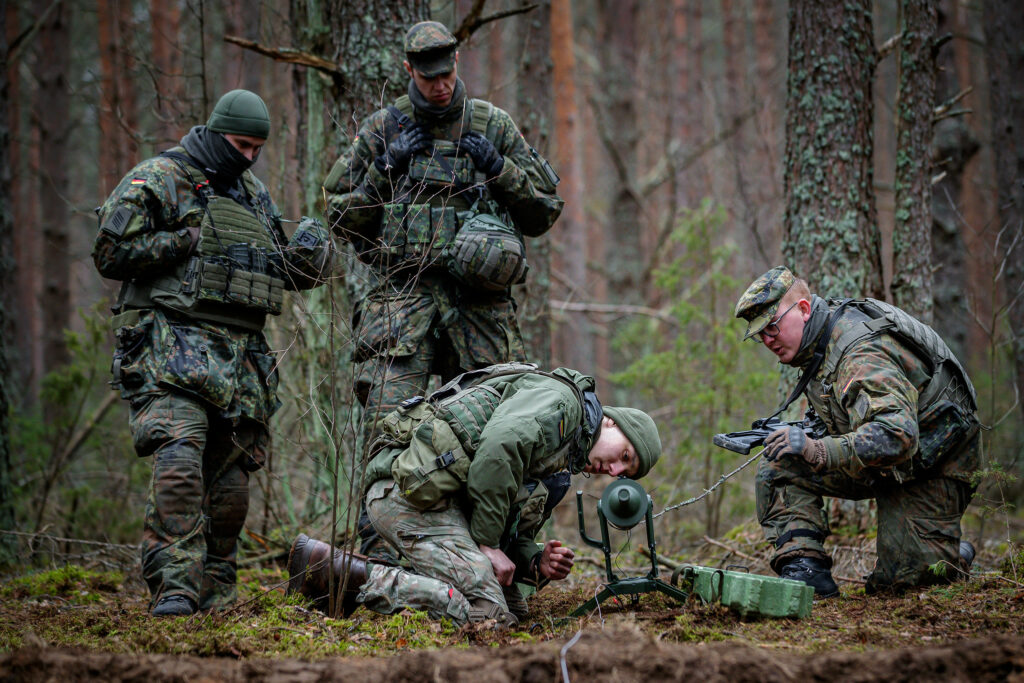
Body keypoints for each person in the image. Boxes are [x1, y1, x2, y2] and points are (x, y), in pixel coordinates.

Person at [93, 90, 332, 616]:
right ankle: (175, 589)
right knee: (179, 464)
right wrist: (187, 240)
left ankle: (216, 593)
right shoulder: (158, 178)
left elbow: (271, 269)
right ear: (217, 131)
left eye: (257, 149)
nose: (248, 157)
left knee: (230, 490)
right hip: (169, 347)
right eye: (241, 145)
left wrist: (306, 260)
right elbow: (110, 253)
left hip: (240, 361)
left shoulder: (252, 194)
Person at [322, 20, 564, 445]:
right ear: (409, 70)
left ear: (456, 61)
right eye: (429, 78)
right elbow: (338, 216)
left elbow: (543, 214)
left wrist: (499, 169)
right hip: (401, 304)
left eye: (447, 75)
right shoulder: (384, 129)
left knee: (495, 436)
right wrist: (383, 170)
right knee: (388, 438)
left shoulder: (492, 125)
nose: (441, 87)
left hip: (480, 307)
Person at [286, 363, 661, 628]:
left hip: (440, 504)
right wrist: (485, 544)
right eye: (623, 456)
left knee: (517, 608)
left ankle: (388, 577)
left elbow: (510, 525)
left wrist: (535, 560)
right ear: (610, 422)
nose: (613, 472)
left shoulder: (563, 457)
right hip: (407, 495)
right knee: (488, 615)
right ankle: (341, 574)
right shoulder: (563, 403)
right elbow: (498, 450)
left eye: (623, 473)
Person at [734, 266, 980, 597]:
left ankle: (949, 555)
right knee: (780, 464)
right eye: (760, 334)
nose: (767, 340)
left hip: (932, 464)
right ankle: (807, 572)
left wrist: (818, 449)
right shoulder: (818, 343)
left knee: (900, 588)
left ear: (804, 310)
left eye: (773, 326)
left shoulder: (859, 351)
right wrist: (800, 436)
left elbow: (898, 434)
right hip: (886, 462)